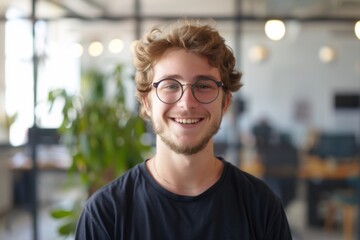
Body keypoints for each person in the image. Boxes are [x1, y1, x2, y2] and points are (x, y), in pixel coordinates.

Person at [75, 19, 292, 240]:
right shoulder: (105, 214)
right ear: (147, 102)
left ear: (225, 103)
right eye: (170, 85)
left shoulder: (261, 207)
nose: (187, 103)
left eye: (204, 86)